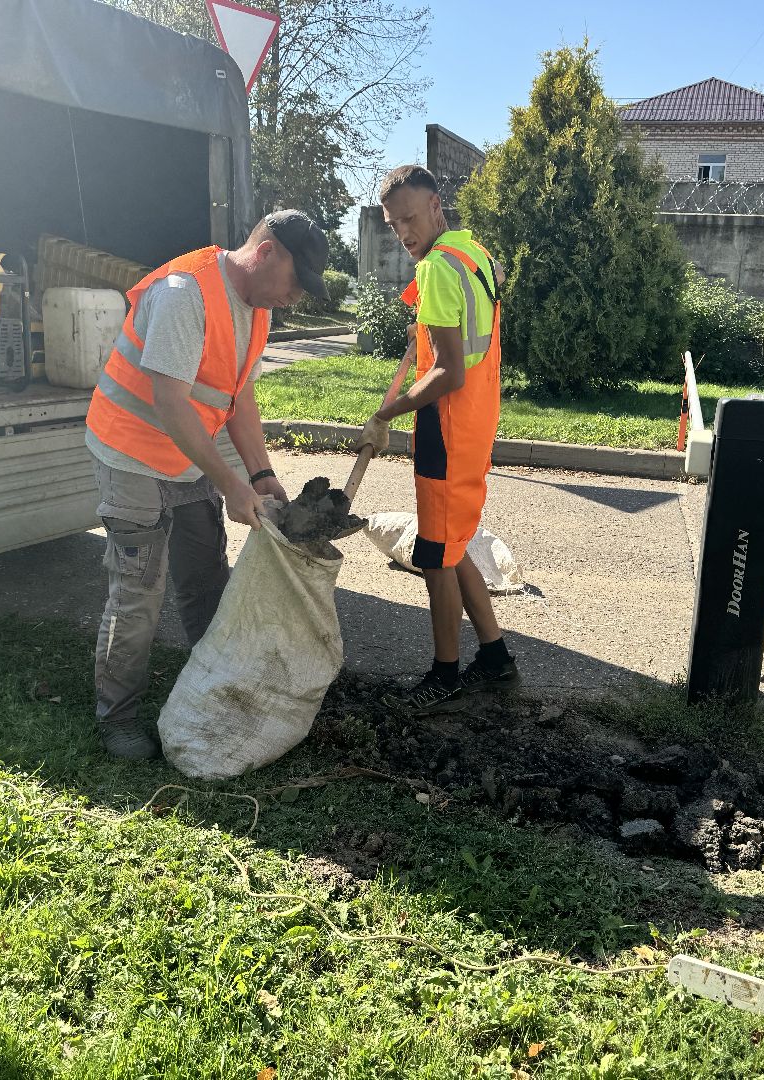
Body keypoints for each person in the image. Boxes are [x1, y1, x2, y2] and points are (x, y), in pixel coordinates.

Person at [85, 211, 329, 758]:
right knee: (138, 595)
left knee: (205, 577)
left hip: (186, 459)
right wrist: (230, 484)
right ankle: (117, 718)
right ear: (266, 252)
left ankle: (211, 687)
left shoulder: (258, 309)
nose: (297, 296)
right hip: (131, 453)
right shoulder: (183, 294)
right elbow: (170, 404)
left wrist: (261, 475)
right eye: (296, 280)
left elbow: (237, 398)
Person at [358, 165, 519, 714]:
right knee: (451, 544)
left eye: (408, 218)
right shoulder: (470, 252)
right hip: (474, 423)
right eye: (392, 223)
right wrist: (426, 326)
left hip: (446, 427)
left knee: (433, 555)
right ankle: (495, 656)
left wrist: (391, 409)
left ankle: (445, 671)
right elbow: (462, 330)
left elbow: (449, 371)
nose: (402, 232)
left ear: (434, 204)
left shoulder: (435, 270)